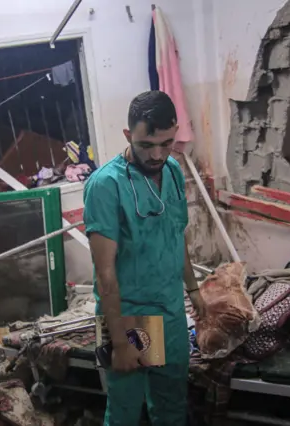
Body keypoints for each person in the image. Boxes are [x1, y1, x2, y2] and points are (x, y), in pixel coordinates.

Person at [83, 90, 204, 425]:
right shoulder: (106, 185)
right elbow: (104, 272)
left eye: (166, 144)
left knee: (171, 406)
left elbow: (174, 234)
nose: (157, 154)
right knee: (125, 411)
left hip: (171, 311)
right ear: (128, 136)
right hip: (132, 316)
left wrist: (193, 290)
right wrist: (120, 342)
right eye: (146, 145)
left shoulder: (174, 172)